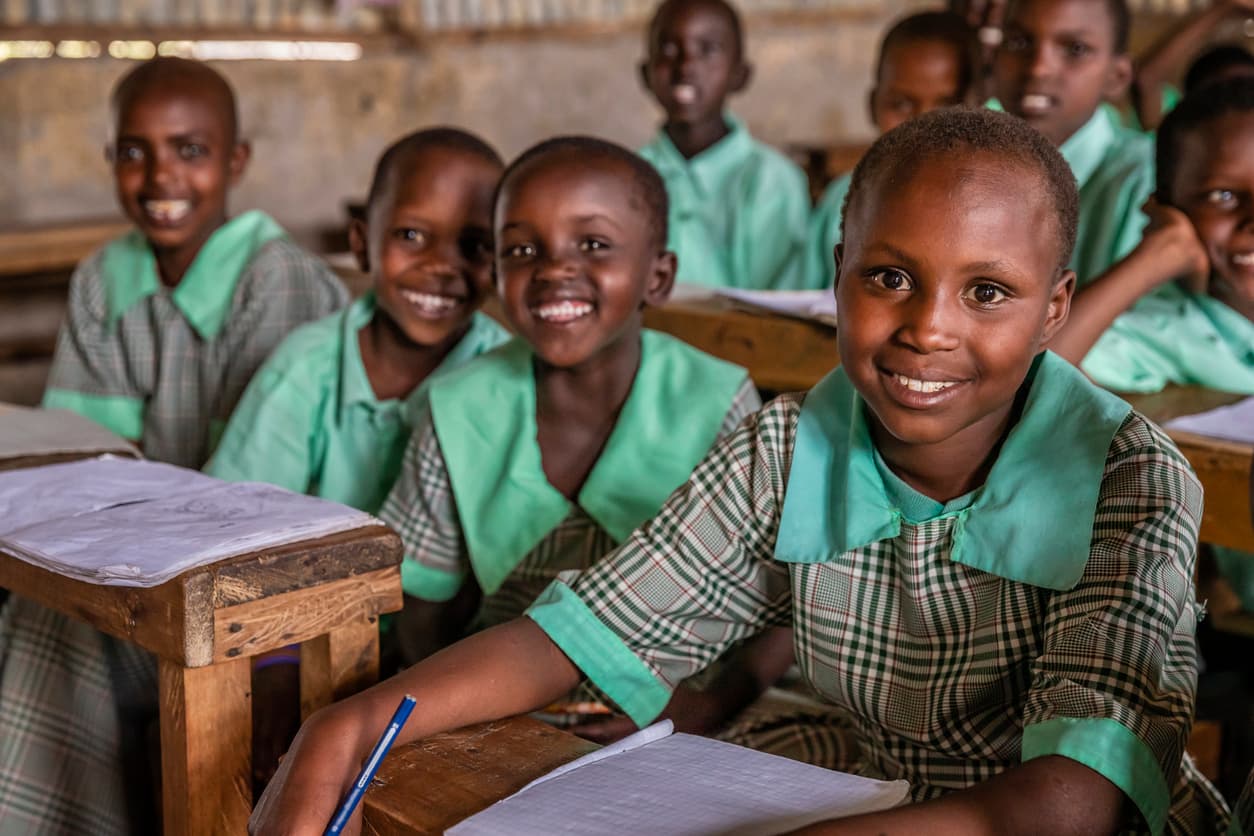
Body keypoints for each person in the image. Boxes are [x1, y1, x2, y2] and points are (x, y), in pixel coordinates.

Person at [252, 108, 1228, 836]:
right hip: (853, 784)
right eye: (889, 276)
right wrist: (360, 714)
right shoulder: (786, 447)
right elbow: (586, 631)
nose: (929, 326)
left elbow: (1068, 804)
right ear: (837, 269)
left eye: (987, 291)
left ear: (1057, 306)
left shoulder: (1128, 479)